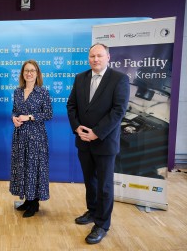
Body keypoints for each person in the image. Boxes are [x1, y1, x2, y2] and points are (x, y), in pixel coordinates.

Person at [67, 43, 130, 244]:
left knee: (104, 185)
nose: (95, 59)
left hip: (104, 142)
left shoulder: (119, 79)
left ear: (108, 57)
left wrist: (96, 133)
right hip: (83, 141)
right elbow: (71, 105)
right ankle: (93, 212)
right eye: (92, 56)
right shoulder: (80, 78)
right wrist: (77, 128)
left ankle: (102, 224)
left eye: (99, 55)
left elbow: (118, 111)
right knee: (90, 181)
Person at [10, 59, 53, 218]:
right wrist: (14, 118)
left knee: (34, 168)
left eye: (32, 71)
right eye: (26, 70)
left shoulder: (43, 92)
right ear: (22, 73)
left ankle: (34, 203)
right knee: (22, 167)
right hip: (20, 136)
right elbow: (15, 111)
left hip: (36, 137)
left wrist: (29, 117)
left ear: (37, 74)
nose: (29, 73)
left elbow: (48, 114)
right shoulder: (17, 91)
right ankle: (27, 200)